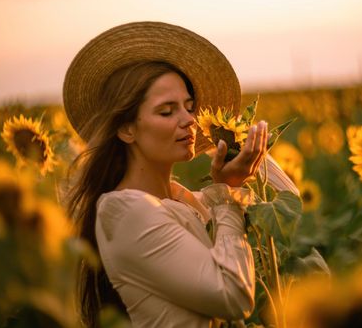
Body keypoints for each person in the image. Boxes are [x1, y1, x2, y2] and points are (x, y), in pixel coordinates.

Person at [63, 22, 268, 328]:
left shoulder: (184, 200)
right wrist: (228, 192)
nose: (189, 120)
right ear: (126, 128)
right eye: (167, 111)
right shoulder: (125, 211)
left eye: (189, 106)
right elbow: (234, 296)